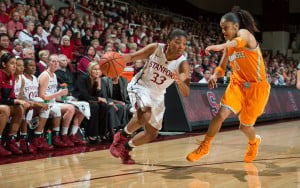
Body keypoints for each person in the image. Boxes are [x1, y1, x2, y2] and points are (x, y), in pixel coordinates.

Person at [186, 7, 271, 163]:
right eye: (221, 28)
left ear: (236, 26)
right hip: (237, 84)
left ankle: (253, 142)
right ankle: (205, 145)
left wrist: (220, 46)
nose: (223, 31)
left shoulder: (244, 34)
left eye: (225, 28)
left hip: (257, 88)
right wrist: (214, 75)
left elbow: (239, 41)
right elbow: (221, 68)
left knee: (244, 127)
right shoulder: (229, 45)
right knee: (220, 115)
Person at [109, 29, 191, 164]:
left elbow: (186, 92)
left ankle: (126, 148)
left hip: (158, 94)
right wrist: (115, 58)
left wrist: (179, 81)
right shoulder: (155, 48)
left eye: (184, 44)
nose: (181, 47)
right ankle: (120, 137)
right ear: (169, 42)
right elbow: (131, 57)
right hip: (141, 86)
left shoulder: (182, 64)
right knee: (145, 115)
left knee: (152, 133)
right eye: (177, 42)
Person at [73, 62, 121, 143]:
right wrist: (98, 98)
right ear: (90, 70)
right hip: (80, 100)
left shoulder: (98, 80)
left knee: (105, 106)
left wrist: (98, 87)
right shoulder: (82, 78)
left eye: (99, 70)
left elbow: (100, 97)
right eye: (95, 69)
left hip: (92, 101)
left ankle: (103, 132)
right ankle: (91, 134)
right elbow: (83, 95)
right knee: (94, 106)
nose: (97, 71)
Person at [0, 52, 30, 155]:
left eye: (15, 63)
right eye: (12, 63)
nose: (14, 66)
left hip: (3, 103)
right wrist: (16, 101)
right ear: (4, 64)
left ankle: (11, 140)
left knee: (19, 108)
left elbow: (11, 97)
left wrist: (23, 102)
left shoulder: (11, 77)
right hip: (2, 105)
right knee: (5, 109)